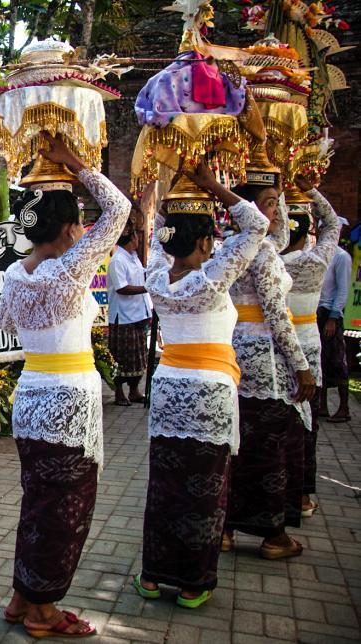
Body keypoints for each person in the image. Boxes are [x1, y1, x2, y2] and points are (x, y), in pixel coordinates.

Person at [0, 133, 130, 638]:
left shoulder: (16, 273)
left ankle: (20, 595)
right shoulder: (69, 270)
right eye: (77, 218)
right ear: (70, 225)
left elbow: (10, 324)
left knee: (38, 503)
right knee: (64, 511)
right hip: (68, 403)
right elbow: (117, 209)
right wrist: (76, 164)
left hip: (31, 396)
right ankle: (43, 612)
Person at [133, 163, 268, 609]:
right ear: (209, 241)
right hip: (208, 393)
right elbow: (258, 225)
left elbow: (155, 239)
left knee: (165, 485)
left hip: (170, 388)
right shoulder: (212, 278)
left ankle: (153, 576)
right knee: (204, 488)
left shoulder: (157, 278)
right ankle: (192, 582)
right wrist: (213, 188)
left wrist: (171, 198)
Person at [224, 174, 316, 559]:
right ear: (247, 209)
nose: (276, 210)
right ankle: (273, 534)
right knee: (269, 450)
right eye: (267, 201)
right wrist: (302, 366)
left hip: (237, 356)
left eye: (277, 201)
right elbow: (278, 316)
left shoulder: (233, 247)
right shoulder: (259, 252)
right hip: (266, 360)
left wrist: (281, 179)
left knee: (238, 446)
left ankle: (226, 527)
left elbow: (277, 238)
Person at [279, 177, 342, 518]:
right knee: (306, 421)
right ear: (306, 234)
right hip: (307, 344)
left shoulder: (271, 262)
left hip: (277, 343)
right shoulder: (316, 262)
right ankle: (302, 496)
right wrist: (311, 191)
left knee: (279, 420)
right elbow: (333, 223)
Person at [106, 220, 153, 405]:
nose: (138, 240)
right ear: (130, 238)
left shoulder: (133, 256)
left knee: (139, 356)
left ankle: (134, 390)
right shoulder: (118, 260)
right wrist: (146, 288)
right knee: (121, 358)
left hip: (138, 313)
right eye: (136, 236)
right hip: (123, 316)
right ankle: (119, 392)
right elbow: (122, 288)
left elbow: (142, 274)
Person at [317, 235, 352, 423]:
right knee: (321, 360)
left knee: (337, 360)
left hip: (331, 313)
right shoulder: (320, 254)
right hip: (317, 311)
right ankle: (322, 405)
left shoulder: (341, 257)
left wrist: (333, 316)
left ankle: (344, 406)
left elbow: (343, 289)